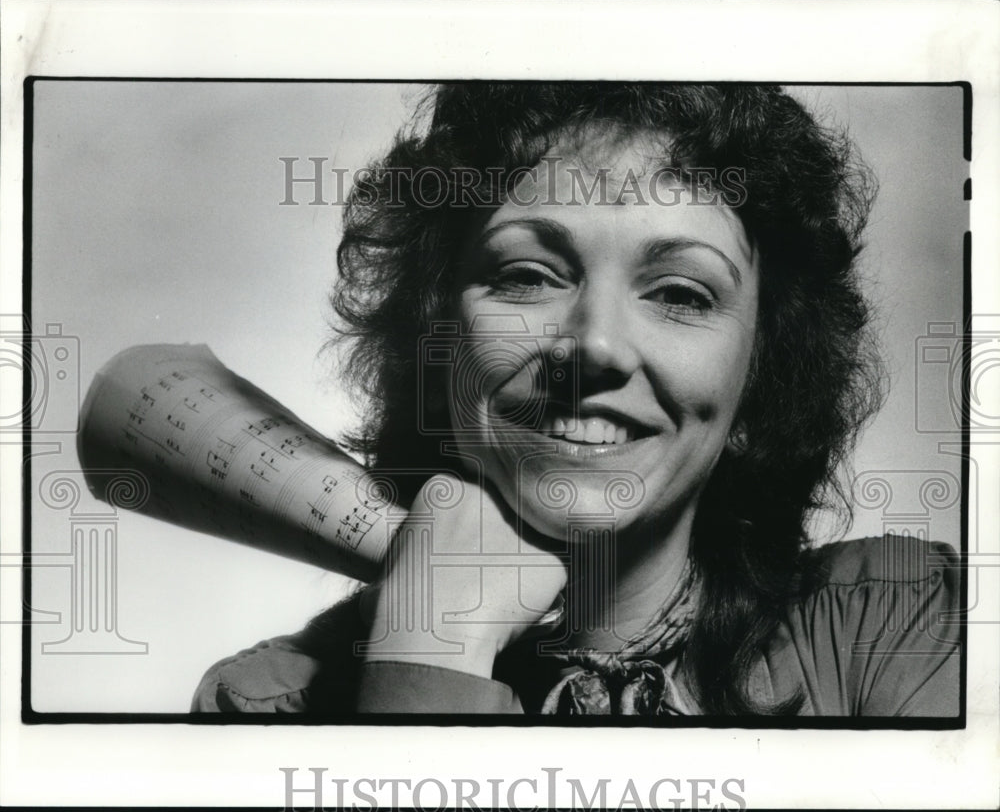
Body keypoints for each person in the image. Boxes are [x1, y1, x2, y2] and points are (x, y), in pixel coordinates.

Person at [192, 84, 960, 717]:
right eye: (527, 275)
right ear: (440, 348)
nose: (592, 346)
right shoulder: (267, 704)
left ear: (761, 385)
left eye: (680, 293)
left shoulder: (898, 624)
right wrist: (427, 647)